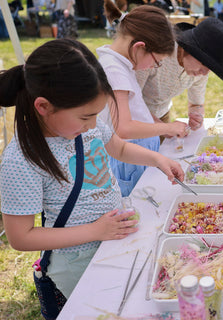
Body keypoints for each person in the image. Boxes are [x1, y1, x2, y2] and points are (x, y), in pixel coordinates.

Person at [0, 39, 184, 302]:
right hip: (75, 261)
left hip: (112, 240)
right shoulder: (21, 159)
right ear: (44, 107)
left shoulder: (86, 128)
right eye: (86, 117)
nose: (93, 125)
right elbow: (21, 237)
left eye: (97, 115)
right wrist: (96, 231)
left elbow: (118, 148)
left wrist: (157, 159)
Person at [99, 0, 188, 196]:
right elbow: (123, 128)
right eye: (156, 62)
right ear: (139, 47)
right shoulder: (114, 70)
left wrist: (159, 124)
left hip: (138, 155)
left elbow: (137, 111)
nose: (151, 68)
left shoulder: (121, 65)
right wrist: (167, 128)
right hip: (128, 160)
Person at [135, 18, 223, 133]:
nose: (205, 72)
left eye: (212, 67)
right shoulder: (156, 55)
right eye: (205, 62)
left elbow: (196, 103)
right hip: (133, 120)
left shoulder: (201, 72)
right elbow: (131, 102)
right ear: (189, 48)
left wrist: (196, 115)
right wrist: (164, 128)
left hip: (162, 116)